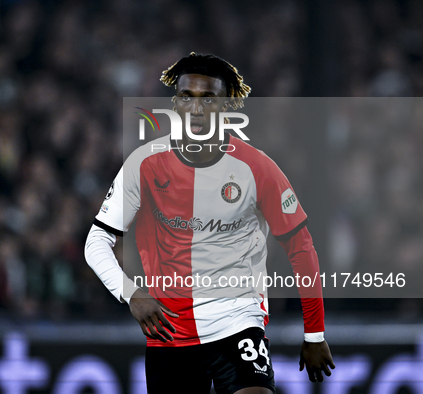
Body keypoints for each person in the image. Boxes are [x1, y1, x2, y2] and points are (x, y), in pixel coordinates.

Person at [84, 52, 334, 393]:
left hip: (238, 324)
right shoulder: (143, 165)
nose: (196, 108)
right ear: (175, 103)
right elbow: (96, 241)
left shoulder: (257, 169)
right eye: (187, 97)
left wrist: (315, 333)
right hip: (169, 332)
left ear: (227, 106)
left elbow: (301, 247)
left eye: (208, 99)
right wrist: (131, 293)